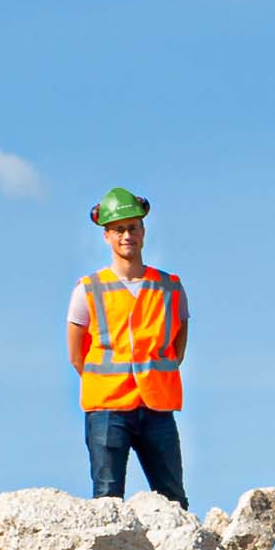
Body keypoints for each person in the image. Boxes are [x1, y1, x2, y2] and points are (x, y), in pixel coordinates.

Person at [65, 186, 188, 505]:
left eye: (132, 228)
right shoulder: (88, 290)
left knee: (173, 500)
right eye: (119, 229)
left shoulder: (170, 288)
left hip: (157, 407)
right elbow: (76, 355)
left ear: (143, 231)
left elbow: (177, 347)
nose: (126, 235)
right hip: (107, 407)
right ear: (106, 235)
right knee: (107, 500)